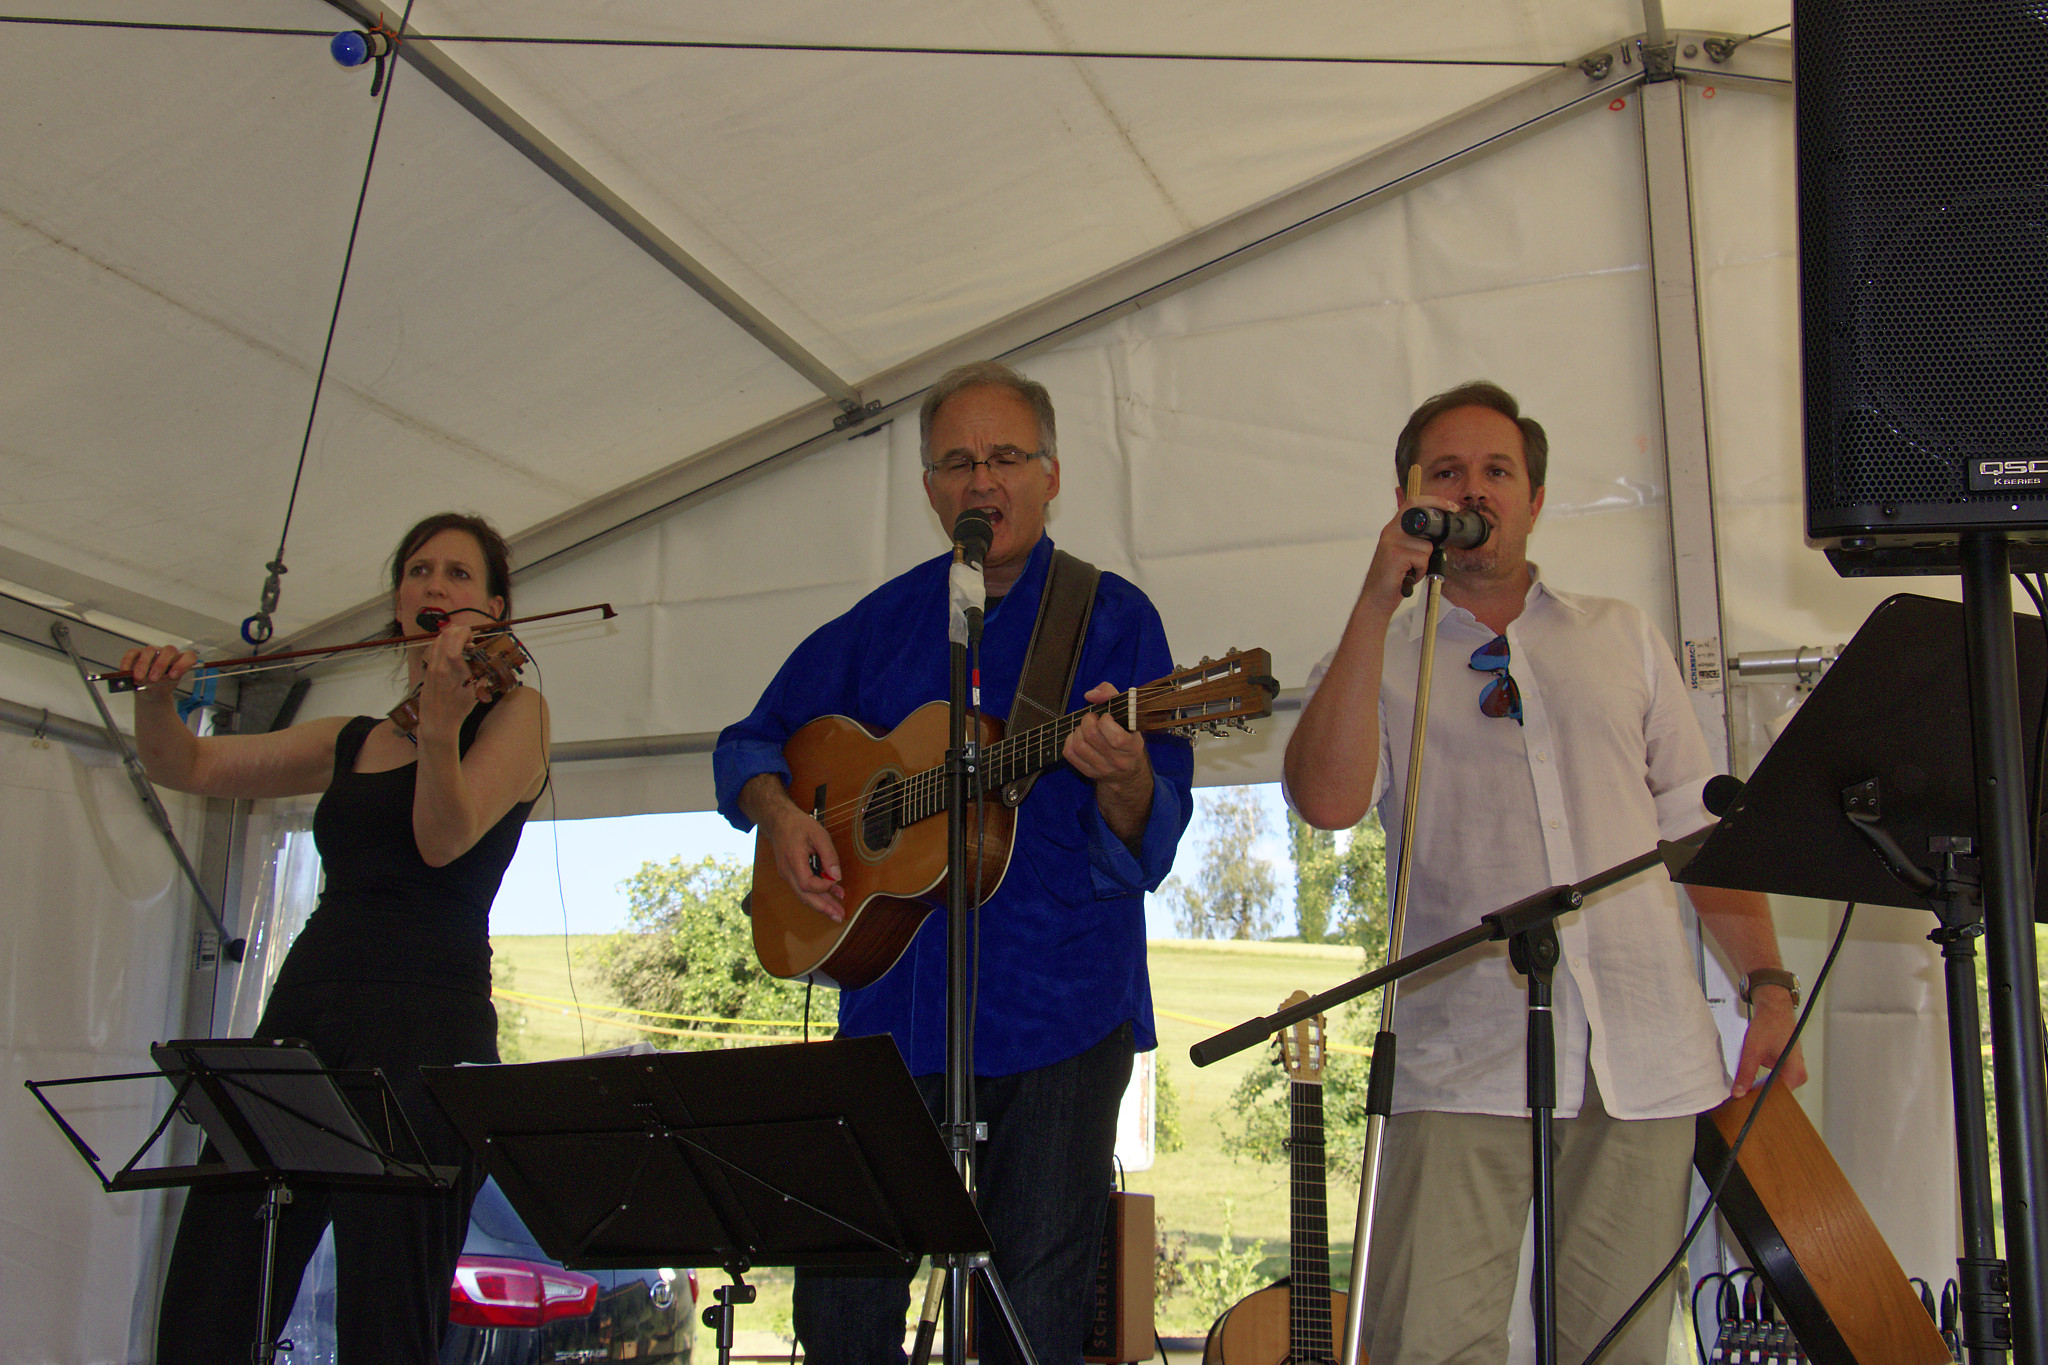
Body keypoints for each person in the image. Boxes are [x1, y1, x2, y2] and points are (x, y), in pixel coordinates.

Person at [1283, 382, 1805, 1365]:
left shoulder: (1621, 635)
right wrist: (1375, 598)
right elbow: (1325, 801)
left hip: (1638, 1054)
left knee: (1617, 1348)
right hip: (1459, 1055)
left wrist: (1767, 986)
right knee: (1428, 1346)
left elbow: (1699, 831)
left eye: (1496, 470)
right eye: (1446, 472)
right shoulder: (1382, 654)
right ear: (1406, 499)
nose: (1472, 489)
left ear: (1534, 498)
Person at [715, 361, 1194, 1365]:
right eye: (958, 462)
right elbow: (751, 742)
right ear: (930, 489)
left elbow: (1150, 834)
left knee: (1031, 1312)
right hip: (895, 1006)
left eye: (1006, 456)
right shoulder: (879, 625)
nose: (983, 480)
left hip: (1060, 1005)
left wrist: (1123, 777)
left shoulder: (1112, 618)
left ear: (1051, 474)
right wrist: (782, 815)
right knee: (840, 1302)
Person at [129, 512, 550, 1364]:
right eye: (419, 570)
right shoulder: (352, 736)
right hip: (308, 1013)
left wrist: (442, 726)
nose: (435, 584)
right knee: (211, 1300)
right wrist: (155, 700)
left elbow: (443, 839)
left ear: (496, 610)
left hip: (426, 1025)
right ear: (399, 601)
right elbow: (189, 766)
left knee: (386, 1323)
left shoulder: (520, 714)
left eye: (458, 574)